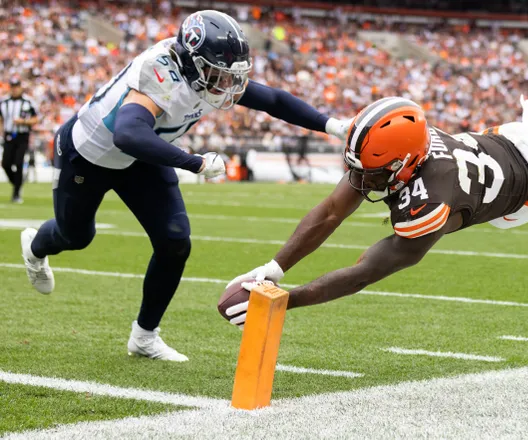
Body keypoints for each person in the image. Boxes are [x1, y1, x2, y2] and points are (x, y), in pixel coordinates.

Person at [19, 10, 350, 361]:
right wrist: (195, 162)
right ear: (192, 63)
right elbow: (128, 133)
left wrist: (334, 126)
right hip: (89, 155)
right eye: (218, 74)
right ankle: (35, 248)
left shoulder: (201, 72)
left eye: (231, 75)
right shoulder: (162, 72)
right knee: (76, 237)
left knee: (175, 241)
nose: (227, 84)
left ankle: (144, 336)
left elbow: (273, 100)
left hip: (142, 156)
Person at [223, 96, 528, 327]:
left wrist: (282, 301)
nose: (360, 177)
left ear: (406, 162)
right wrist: (273, 269)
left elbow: (363, 273)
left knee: (497, 220)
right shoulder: (401, 147)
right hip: (506, 137)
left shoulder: (429, 202)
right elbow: (330, 212)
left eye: (372, 169)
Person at [0, 77, 39, 203]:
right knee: (5, 163)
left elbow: (35, 119)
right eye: (12, 86)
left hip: (22, 136)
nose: (15, 89)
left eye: (17, 86)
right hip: (8, 135)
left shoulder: (28, 102)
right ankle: (18, 183)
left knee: (18, 163)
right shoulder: (4, 102)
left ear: (21, 87)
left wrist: (23, 122)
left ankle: (16, 193)